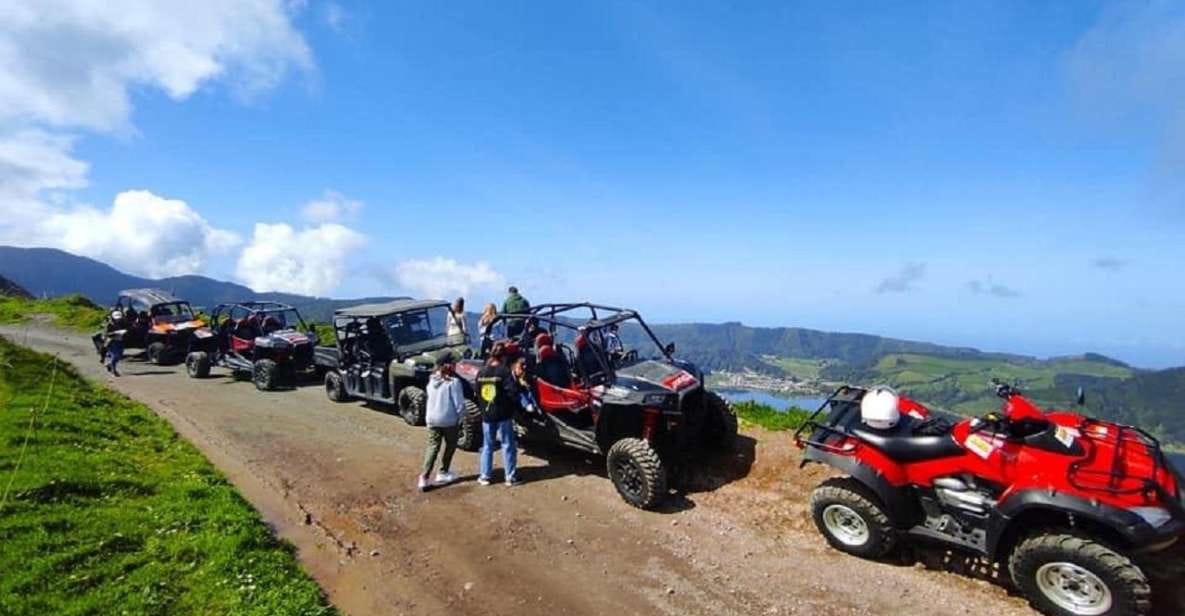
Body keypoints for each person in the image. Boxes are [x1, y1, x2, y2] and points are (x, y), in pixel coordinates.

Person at [476, 343, 521, 486]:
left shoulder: (481, 372)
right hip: (503, 414)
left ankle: (485, 476)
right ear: (503, 356)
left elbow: (477, 391)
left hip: (487, 415)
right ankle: (510, 477)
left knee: (487, 445)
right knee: (507, 444)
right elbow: (512, 392)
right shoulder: (504, 371)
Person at [419, 353, 464, 491]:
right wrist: (461, 418)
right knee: (451, 444)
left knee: (433, 447)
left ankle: (424, 477)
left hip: (432, 419)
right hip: (448, 420)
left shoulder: (431, 381)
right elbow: (459, 405)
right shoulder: (454, 382)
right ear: (449, 365)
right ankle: (443, 472)